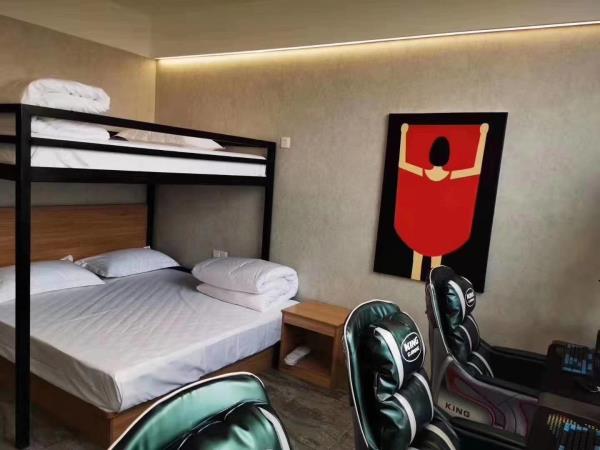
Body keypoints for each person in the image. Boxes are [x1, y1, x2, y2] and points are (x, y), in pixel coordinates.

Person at [396, 122, 489, 280]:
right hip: (437, 229)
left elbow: (403, 163)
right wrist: (483, 135)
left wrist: (404, 134)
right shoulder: (451, 176)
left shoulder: (422, 172)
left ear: (430, 155)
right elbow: (476, 169)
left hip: (420, 224)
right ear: (447, 157)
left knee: (416, 265)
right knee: (435, 271)